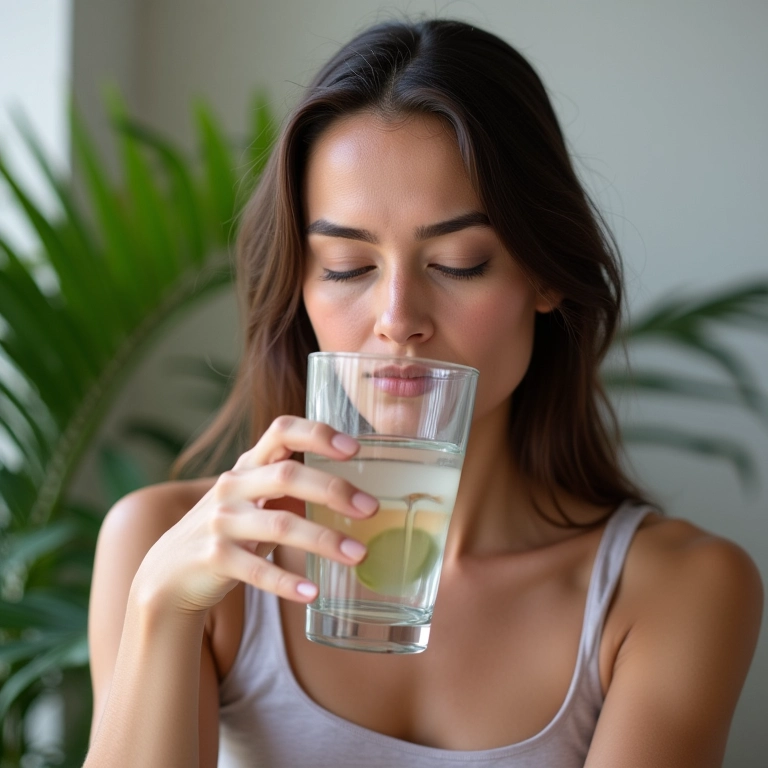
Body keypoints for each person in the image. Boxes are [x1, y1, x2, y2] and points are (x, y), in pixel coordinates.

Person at [83, 18, 763, 768]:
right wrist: (161, 609)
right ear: (300, 286)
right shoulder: (165, 545)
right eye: (346, 267)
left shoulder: (674, 590)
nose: (398, 318)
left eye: (460, 262)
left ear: (544, 274)